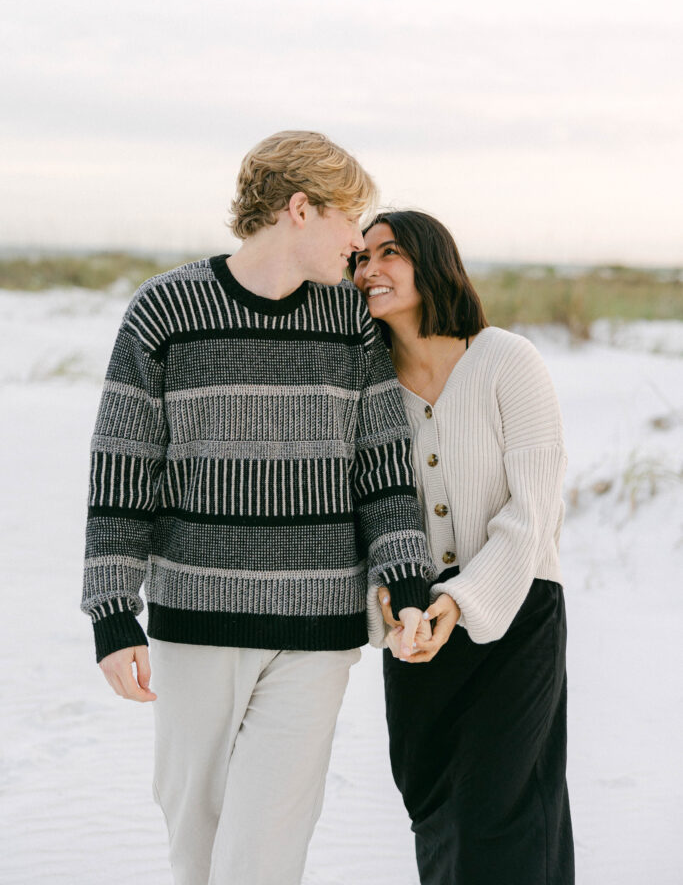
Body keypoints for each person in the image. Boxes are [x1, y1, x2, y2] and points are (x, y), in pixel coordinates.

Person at [80, 133, 437, 885]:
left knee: (264, 854)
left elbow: (381, 465)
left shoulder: (350, 322)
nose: (358, 242)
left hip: (317, 629)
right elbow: (122, 466)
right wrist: (112, 613)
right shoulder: (165, 311)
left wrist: (406, 581)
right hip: (194, 619)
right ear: (300, 209)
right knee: (196, 847)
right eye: (351, 219)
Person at [350, 210, 574, 885]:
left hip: (517, 614)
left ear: (431, 262)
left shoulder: (507, 359)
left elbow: (534, 506)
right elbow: (364, 511)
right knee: (433, 806)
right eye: (358, 259)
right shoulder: (368, 386)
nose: (369, 270)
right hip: (416, 627)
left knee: (499, 813)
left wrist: (460, 600)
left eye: (388, 253)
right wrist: (389, 601)